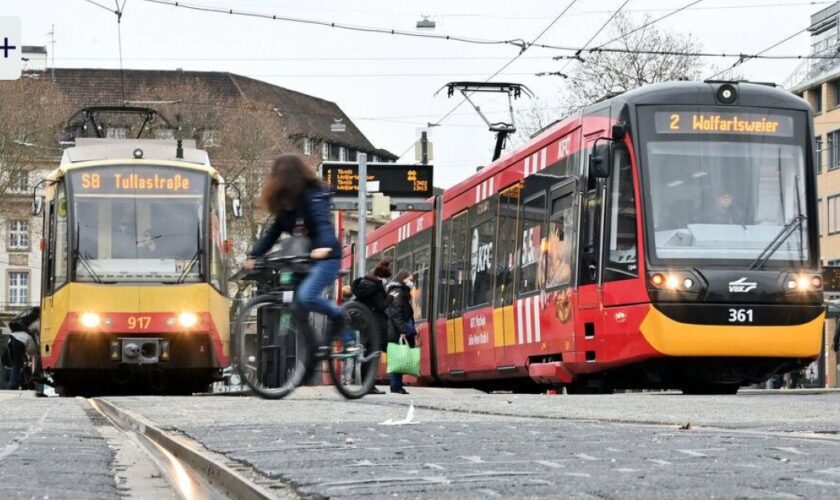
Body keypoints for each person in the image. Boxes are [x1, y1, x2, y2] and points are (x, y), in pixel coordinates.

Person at [245, 155, 345, 335]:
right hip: (303, 260)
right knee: (296, 305)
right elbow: (272, 233)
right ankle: (311, 351)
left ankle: (339, 315)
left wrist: (324, 248)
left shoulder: (314, 194)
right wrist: (254, 256)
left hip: (326, 256)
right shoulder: (286, 208)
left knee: (306, 296)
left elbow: (322, 223)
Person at [351, 260, 394, 395]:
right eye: (386, 278)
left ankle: (366, 383)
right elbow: (381, 305)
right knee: (373, 353)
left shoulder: (366, 284)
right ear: (382, 277)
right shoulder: (375, 287)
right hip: (374, 322)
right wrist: (390, 298)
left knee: (368, 351)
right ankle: (369, 385)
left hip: (365, 321)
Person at [386, 270, 418, 394]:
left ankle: (397, 385)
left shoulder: (399, 291)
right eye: (409, 279)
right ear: (402, 279)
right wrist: (402, 330)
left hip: (396, 330)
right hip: (397, 331)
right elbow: (395, 314)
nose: (411, 282)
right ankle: (395, 386)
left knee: (399, 358)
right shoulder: (399, 293)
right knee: (398, 358)